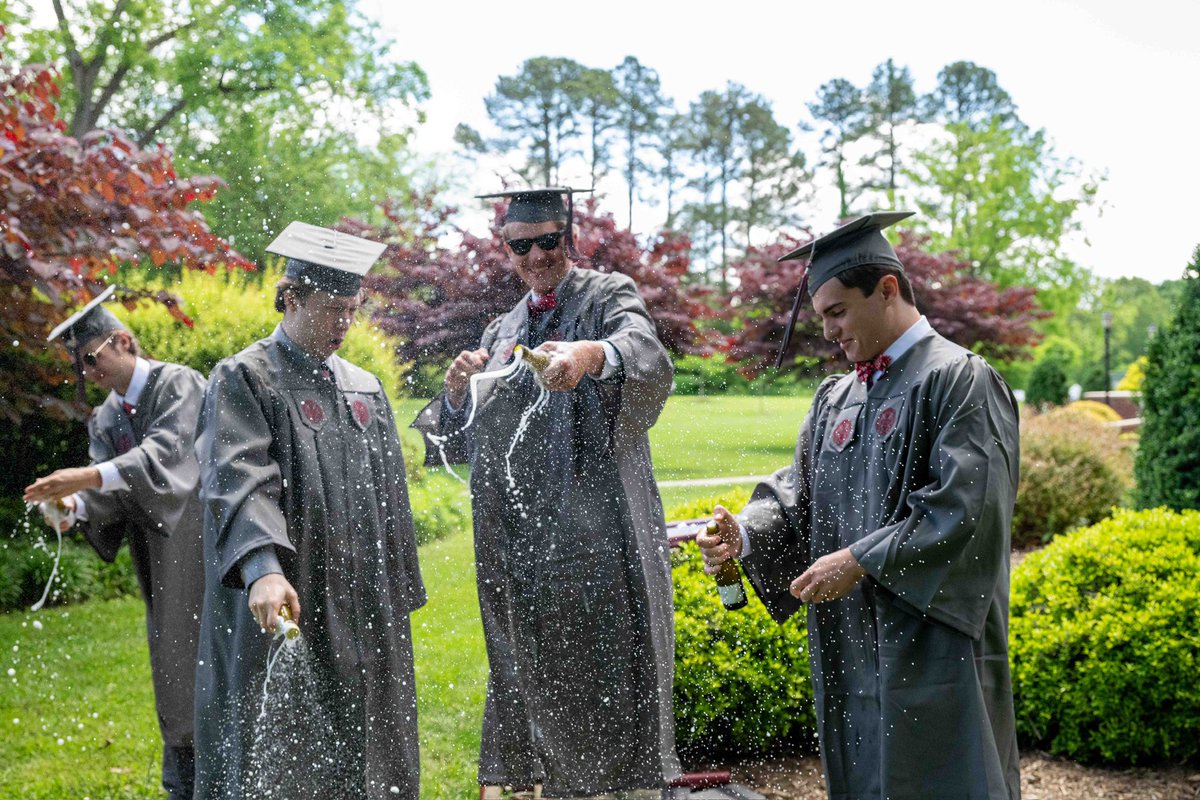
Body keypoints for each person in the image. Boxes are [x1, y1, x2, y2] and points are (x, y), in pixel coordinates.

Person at [697, 212, 1022, 799]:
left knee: (943, 777)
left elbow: (967, 510)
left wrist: (858, 560)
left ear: (888, 289)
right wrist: (743, 534)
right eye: (821, 317)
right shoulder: (836, 396)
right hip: (850, 643)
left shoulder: (958, 380)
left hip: (929, 643)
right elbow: (800, 493)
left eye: (838, 312)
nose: (828, 332)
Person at [412, 187, 681, 798]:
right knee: (530, 671)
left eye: (548, 241)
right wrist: (459, 391)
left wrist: (592, 353)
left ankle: (614, 788)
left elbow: (647, 353)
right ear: (507, 248)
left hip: (601, 534)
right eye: (520, 245)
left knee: (605, 672)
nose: (535, 256)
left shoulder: (608, 295)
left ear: (570, 238)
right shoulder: (504, 327)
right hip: (523, 543)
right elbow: (465, 438)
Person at [193, 222, 425, 799]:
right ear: (291, 296)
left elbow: (390, 501)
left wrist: (396, 588)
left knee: (369, 744)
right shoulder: (245, 378)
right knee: (283, 752)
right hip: (289, 595)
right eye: (332, 310)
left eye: (353, 310)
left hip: (362, 602)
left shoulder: (364, 387)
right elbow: (239, 479)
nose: (345, 325)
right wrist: (262, 569)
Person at [23, 285, 205, 800]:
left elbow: (169, 455)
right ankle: (184, 783)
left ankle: (226, 773)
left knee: (213, 657)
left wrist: (85, 478)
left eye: (91, 358)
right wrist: (71, 509)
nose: (87, 374)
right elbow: (110, 497)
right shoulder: (105, 418)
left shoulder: (179, 385)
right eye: (79, 367)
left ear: (122, 340)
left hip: (201, 541)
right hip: (159, 560)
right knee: (173, 662)